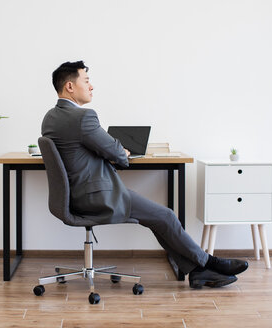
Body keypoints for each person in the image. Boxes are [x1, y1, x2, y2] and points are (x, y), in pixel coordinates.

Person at [41, 61, 248, 288]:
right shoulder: (83, 118)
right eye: (87, 81)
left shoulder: (50, 118)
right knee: (166, 216)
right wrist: (121, 152)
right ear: (70, 86)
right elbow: (118, 154)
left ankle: (198, 271)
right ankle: (209, 261)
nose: (92, 87)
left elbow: (82, 150)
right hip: (98, 197)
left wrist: (107, 151)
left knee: (158, 218)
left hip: (75, 197)